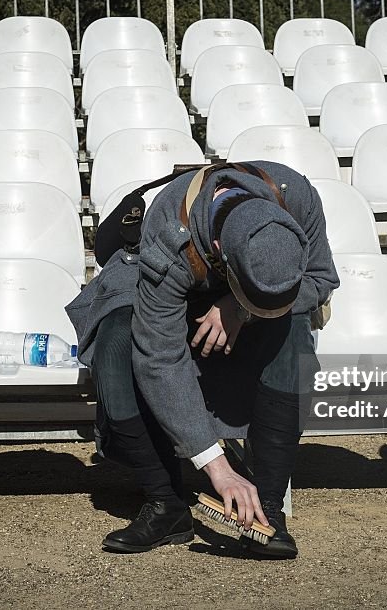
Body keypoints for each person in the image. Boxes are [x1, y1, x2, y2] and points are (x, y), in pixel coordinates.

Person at [67, 161, 338, 558]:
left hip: (235, 295)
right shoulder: (169, 233)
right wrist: (218, 468)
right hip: (156, 283)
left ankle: (267, 510)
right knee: (117, 343)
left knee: (295, 337)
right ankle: (166, 504)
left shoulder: (296, 196)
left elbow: (319, 279)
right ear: (218, 252)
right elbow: (158, 357)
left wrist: (240, 309)